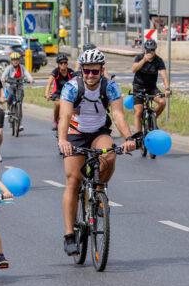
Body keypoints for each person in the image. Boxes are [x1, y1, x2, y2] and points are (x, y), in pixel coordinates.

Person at [58, 49, 136, 255]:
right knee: (73, 182)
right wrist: (62, 139)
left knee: (109, 154)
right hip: (75, 133)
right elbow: (64, 116)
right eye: (87, 71)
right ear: (81, 70)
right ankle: (69, 235)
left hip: (98, 132)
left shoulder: (110, 87)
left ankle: (99, 188)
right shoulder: (72, 87)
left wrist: (128, 138)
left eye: (95, 71)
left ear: (102, 70)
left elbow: (118, 114)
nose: (90, 75)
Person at [131, 39, 171, 133]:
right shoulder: (139, 58)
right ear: (145, 50)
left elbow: (164, 76)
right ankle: (138, 136)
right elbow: (133, 69)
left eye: (152, 50)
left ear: (155, 50)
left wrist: (167, 88)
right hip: (138, 88)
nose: (150, 52)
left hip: (151, 88)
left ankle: (152, 120)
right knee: (139, 112)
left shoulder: (158, 60)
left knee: (162, 102)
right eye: (148, 50)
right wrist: (144, 60)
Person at [1, 52, 34, 131]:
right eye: (13, 60)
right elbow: (3, 76)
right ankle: (8, 109)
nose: (15, 61)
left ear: (19, 60)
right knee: (11, 95)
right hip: (10, 85)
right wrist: (3, 79)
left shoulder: (22, 67)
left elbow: (27, 74)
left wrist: (31, 79)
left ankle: (20, 124)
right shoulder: (9, 68)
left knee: (19, 103)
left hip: (19, 86)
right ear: (11, 61)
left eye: (17, 60)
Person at [45, 54, 74, 131]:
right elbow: (49, 83)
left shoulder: (71, 72)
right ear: (58, 64)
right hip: (57, 93)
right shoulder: (56, 72)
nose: (63, 64)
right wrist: (47, 94)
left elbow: (77, 82)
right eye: (61, 63)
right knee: (57, 104)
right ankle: (55, 120)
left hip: (68, 93)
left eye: (65, 63)